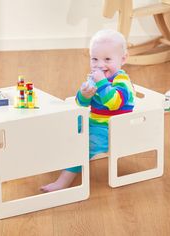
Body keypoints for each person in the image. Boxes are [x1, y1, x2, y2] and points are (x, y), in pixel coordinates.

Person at [40, 29, 135, 192]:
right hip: (93, 121)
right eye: (95, 59)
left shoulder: (122, 81)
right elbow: (81, 102)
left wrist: (101, 83)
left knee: (84, 144)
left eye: (107, 59)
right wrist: (84, 94)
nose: (100, 65)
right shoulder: (95, 78)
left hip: (112, 128)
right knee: (65, 126)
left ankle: (63, 182)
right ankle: (59, 158)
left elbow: (113, 103)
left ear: (123, 59)